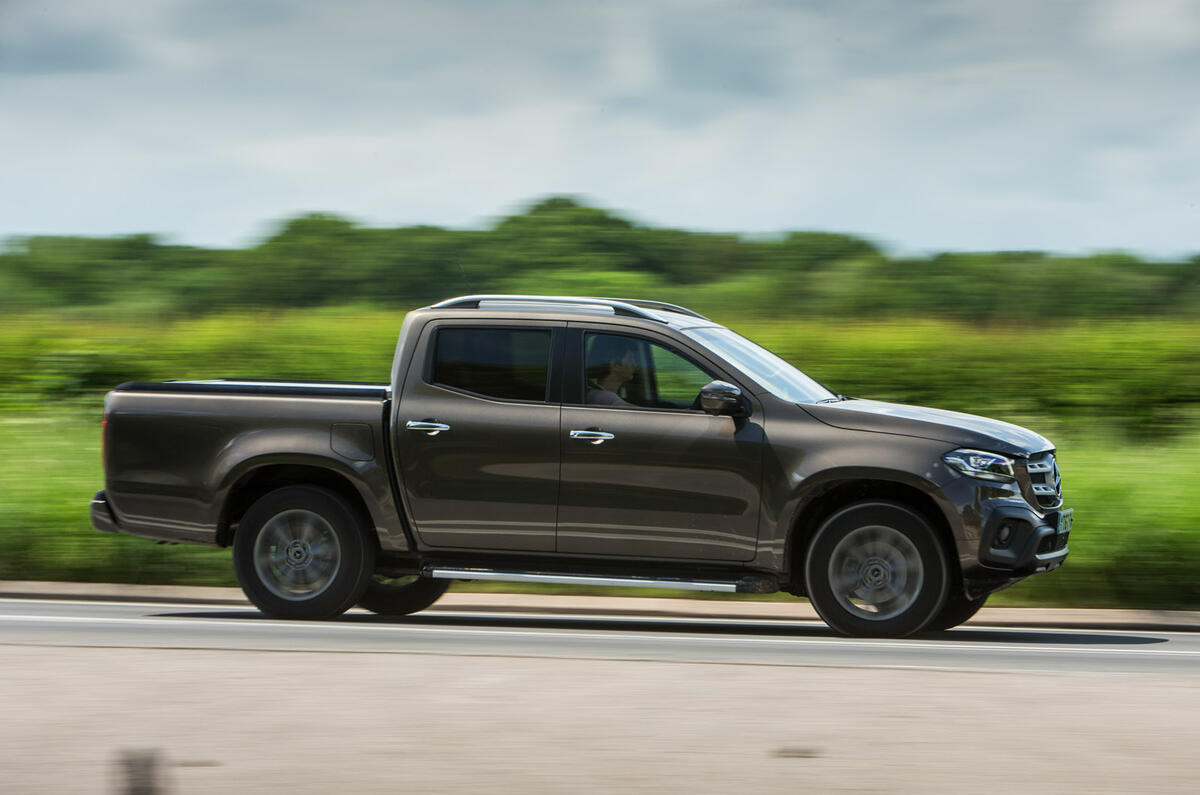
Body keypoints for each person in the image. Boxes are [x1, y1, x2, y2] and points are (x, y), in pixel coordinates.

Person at [586, 335, 639, 406]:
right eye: (630, 359)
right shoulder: (605, 398)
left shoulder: (595, 393)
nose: (634, 364)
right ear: (615, 365)